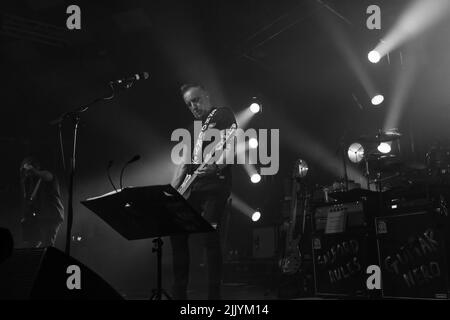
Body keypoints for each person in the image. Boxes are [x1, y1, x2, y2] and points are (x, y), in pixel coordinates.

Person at [170, 83, 237, 300]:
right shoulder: (192, 129)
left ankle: (213, 298)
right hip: (192, 188)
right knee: (176, 233)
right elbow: (183, 163)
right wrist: (171, 191)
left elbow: (232, 143)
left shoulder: (223, 114)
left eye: (196, 100)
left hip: (215, 186)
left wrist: (218, 165)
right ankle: (179, 296)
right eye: (189, 104)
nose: (193, 106)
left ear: (207, 95)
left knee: (209, 237)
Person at [19, 156, 64, 248]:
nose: (27, 173)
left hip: (51, 215)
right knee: (33, 244)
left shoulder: (45, 175)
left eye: (28, 169)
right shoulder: (30, 182)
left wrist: (34, 171)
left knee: (47, 245)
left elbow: (48, 176)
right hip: (41, 217)